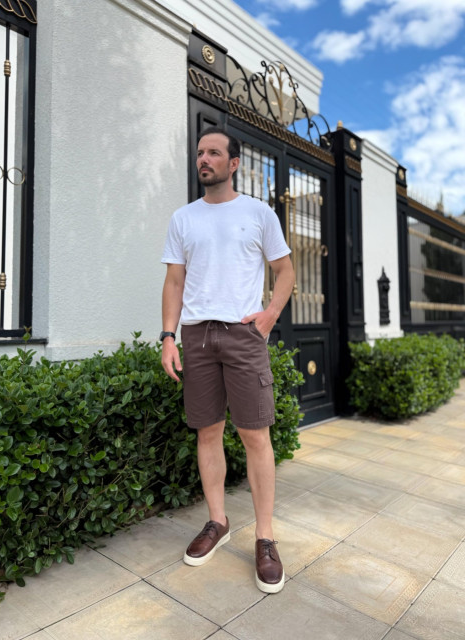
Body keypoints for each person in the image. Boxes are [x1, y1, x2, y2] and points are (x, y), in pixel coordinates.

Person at [160, 126, 295, 594]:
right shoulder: (183, 218)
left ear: (233, 163)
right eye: (200, 152)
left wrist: (270, 315)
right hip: (197, 336)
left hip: (242, 334)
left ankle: (265, 537)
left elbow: (284, 271)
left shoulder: (258, 213)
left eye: (214, 153)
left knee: (255, 435)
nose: (204, 159)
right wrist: (168, 337)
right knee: (208, 431)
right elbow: (174, 282)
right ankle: (217, 521)